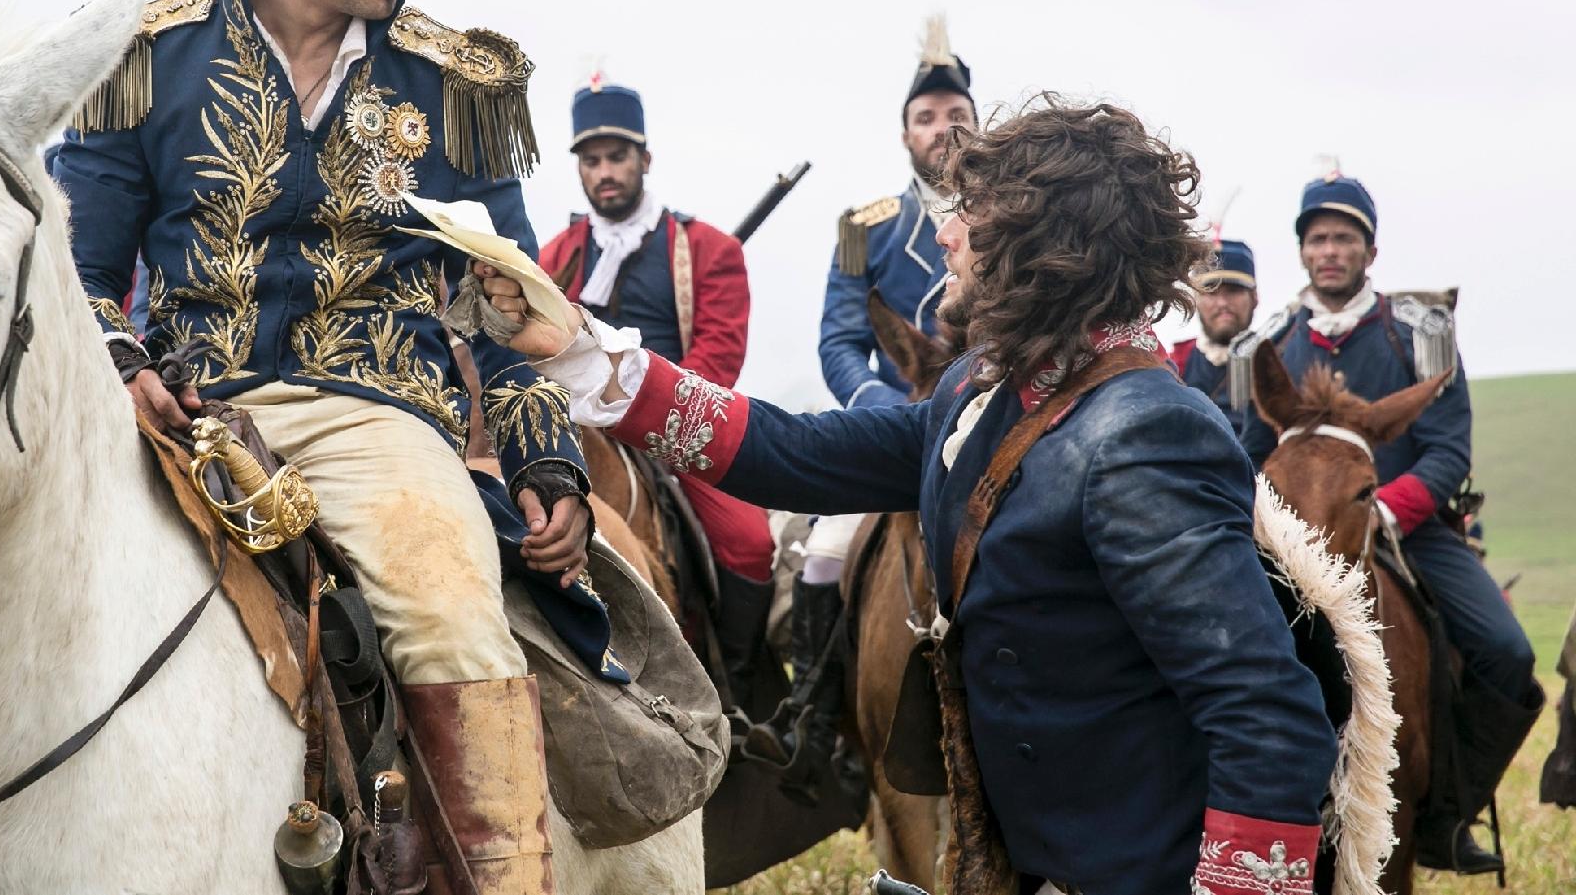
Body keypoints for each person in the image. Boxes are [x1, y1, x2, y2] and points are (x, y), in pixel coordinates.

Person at [478, 98, 1340, 894]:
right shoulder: (984, 390)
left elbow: (1267, 716)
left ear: (1042, 245)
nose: (946, 234)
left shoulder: (1147, 430)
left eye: (970, 215)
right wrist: (586, 357)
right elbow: (796, 452)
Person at [50, 0, 596, 895]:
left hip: (381, 427)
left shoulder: (459, 80)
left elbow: (502, 307)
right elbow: (76, 269)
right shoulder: (144, 58)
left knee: (454, 600)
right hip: (177, 416)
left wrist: (544, 455)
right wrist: (123, 361)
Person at [1239, 170, 1540, 875]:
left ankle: (1446, 812)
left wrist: (1384, 508)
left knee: (1508, 652)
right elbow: (1248, 447)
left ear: (1369, 251)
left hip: (1407, 523)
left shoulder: (1421, 331)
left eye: (1345, 237)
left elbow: (1448, 447)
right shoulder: (1272, 340)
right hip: (1290, 537)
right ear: (1304, 250)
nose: (1331, 250)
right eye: (1318, 238)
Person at [772, 16, 975, 802]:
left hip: (988, 419)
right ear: (905, 136)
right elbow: (838, 343)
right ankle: (820, 726)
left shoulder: (1008, 220)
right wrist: (885, 409)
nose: (943, 127)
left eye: (956, 113)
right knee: (824, 551)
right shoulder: (862, 228)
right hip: (899, 423)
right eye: (927, 117)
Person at [537, 77, 773, 705]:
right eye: (591, 161)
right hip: (577, 431)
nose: (605, 173)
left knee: (751, 544)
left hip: (678, 428)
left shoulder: (707, 249)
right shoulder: (552, 255)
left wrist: (652, 416)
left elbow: (718, 357)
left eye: (617, 158)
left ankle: (739, 694)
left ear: (645, 160)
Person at [1170, 237, 1259, 435]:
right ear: (1196, 300)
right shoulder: (1174, 365)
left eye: (1233, 291)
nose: (1222, 303)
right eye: (1211, 292)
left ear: (1254, 297)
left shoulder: (1280, 359)